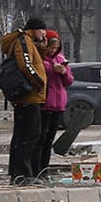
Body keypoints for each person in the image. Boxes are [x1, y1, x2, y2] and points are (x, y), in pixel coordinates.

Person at [0, 16, 48, 184]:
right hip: (29, 97)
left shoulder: (28, 42)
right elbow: (25, 65)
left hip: (29, 97)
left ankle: (18, 173)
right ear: (34, 29)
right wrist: (40, 82)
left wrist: (42, 47)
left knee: (23, 135)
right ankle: (23, 174)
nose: (44, 33)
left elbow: (35, 60)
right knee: (29, 135)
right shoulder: (23, 40)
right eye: (42, 30)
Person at [36, 31, 73, 178]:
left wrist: (64, 72)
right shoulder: (40, 59)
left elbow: (69, 81)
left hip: (59, 104)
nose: (53, 50)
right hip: (45, 104)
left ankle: (44, 169)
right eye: (51, 47)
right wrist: (52, 69)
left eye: (56, 47)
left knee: (50, 139)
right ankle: (37, 169)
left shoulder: (61, 59)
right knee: (41, 138)